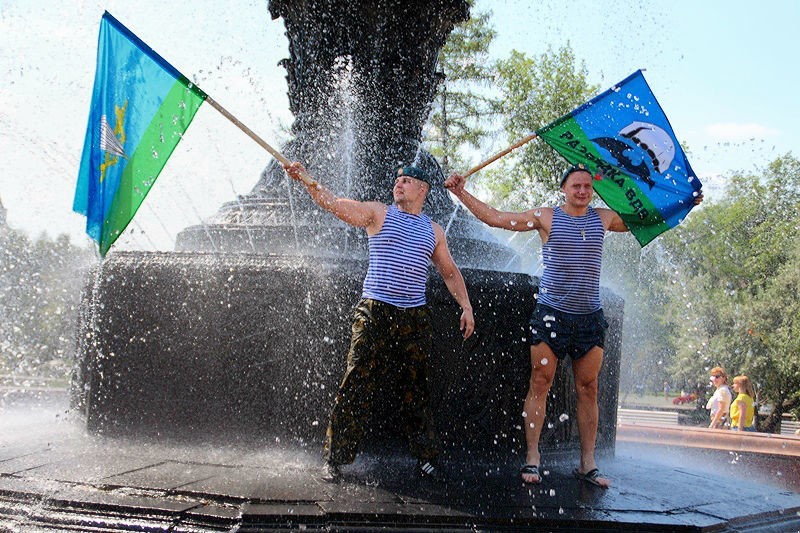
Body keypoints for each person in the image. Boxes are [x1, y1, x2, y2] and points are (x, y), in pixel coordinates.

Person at [445, 165, 703, 488]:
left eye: (586, 186)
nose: (582, 191)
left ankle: (587, 463)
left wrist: (684, 204)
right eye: (575, 186)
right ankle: (533, 456)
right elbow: (497, 218)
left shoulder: (604, 218)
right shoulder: (546, 217)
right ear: (564, 189)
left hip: (589, 319)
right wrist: (460, 192)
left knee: (589, 388)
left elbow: (644, 220)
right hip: (551, 315)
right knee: (541, 381)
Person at [284, 161, 475, 483]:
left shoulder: (433, 230)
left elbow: (449, 271)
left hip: (414, 315)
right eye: (397, 180)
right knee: (356, 381)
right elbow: (334, 205)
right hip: (375, 311)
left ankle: (426, 458)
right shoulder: (378, 213)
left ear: (423, 190)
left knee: (417, 388)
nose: (398, 185)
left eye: (407, 181)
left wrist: (466, 306)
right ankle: (335, 458)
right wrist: (306, 180)